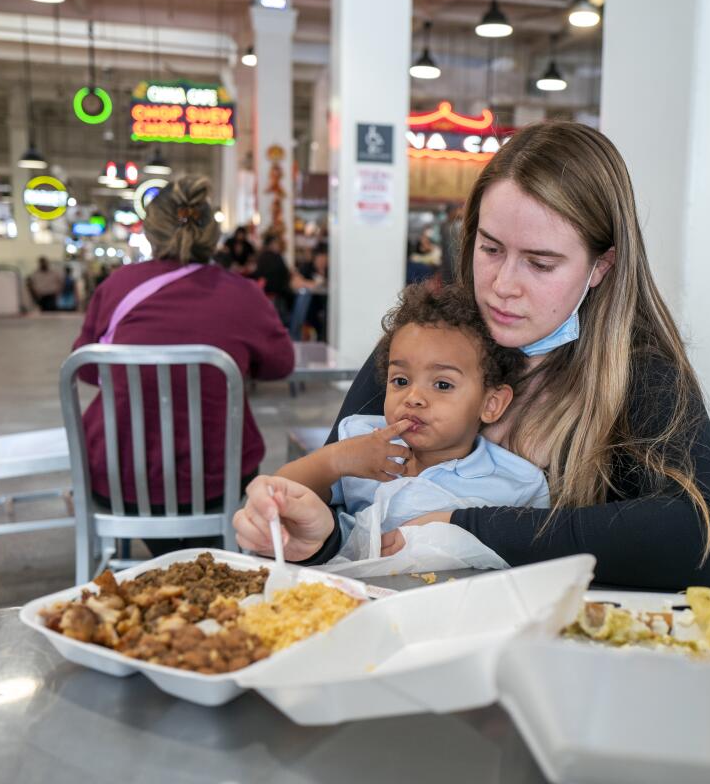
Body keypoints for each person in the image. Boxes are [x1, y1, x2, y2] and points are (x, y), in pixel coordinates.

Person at [234, 121, 710, 591]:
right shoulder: (427, 346)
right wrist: (302, 531)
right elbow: (338, 513)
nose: (504, 287)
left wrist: (463, 528)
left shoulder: (638, 373)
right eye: (490, 249)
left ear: (601, 266)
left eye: (541, 263)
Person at [73, 176, 295, 556]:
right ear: (213, 234)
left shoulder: (117, 286)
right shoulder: (242, 294)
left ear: (151, 233)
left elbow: (89, 369)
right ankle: (197, 560)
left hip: (118, 478)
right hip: (216, 481)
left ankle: (166, 560)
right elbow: (280, 364)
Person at [257, 283, 548, 556]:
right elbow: (278, 497)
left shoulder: (517, 483)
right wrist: (335, 460)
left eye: (442, 385)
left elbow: (535, 560)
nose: (414, 397)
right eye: (400, 380)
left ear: (491, 403)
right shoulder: (363, 440)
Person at [254, 232, 293, 321]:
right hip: (278, 292)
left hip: (265, 292)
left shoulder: (261, 257)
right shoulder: (276, 257)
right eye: (276, 243)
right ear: (271, 244)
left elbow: (258, 274)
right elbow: (285, 273)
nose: (278, 245)